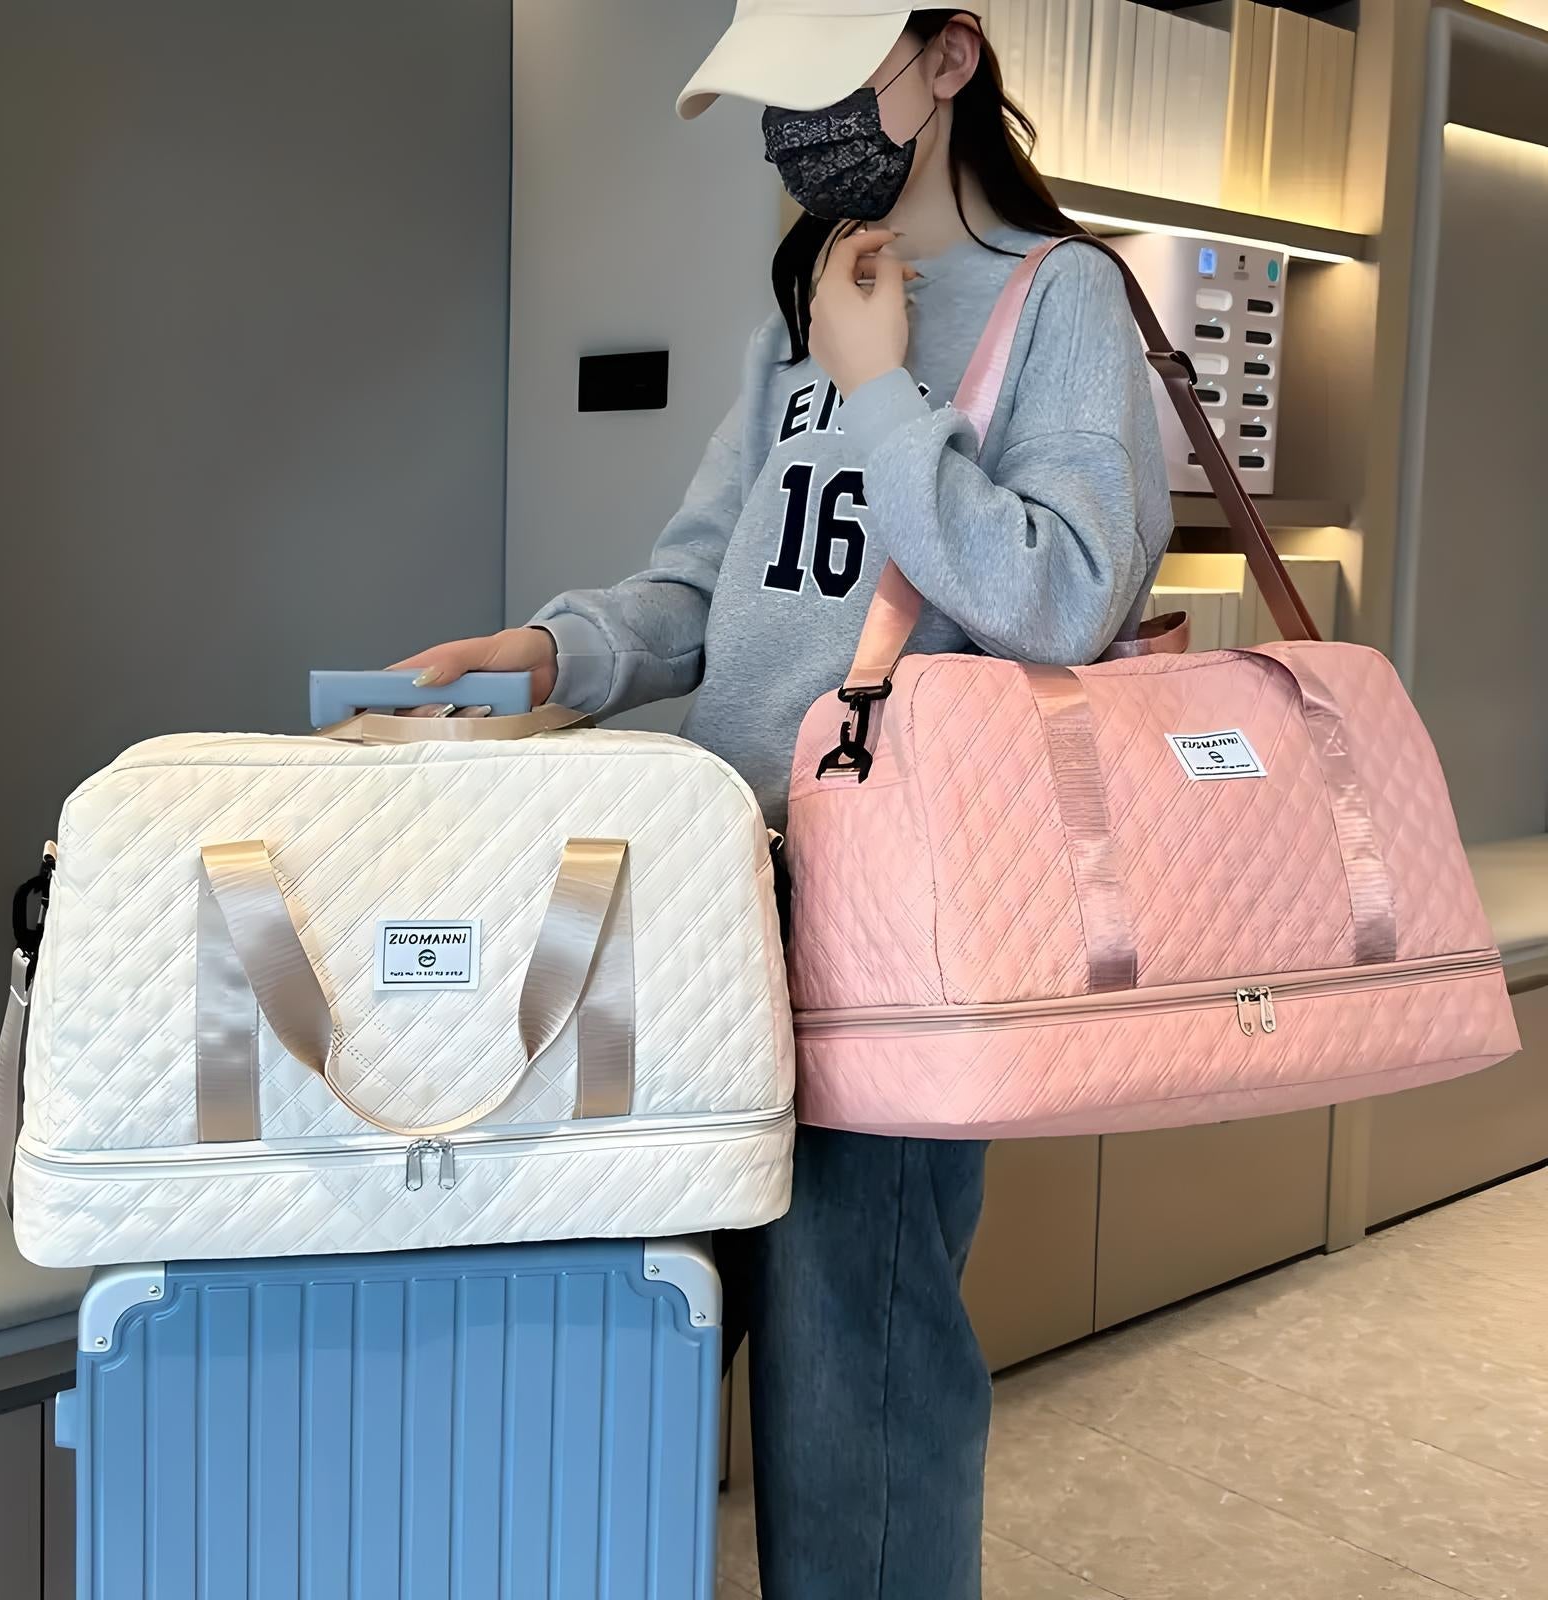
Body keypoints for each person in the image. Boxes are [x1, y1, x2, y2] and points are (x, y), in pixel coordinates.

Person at [395, 6, 1173, 1595]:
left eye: (827, 84)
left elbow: (1067, 593)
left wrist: (886, 394)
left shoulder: (1065, 299)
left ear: (947, 60)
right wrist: (550, 649)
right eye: (773, 98)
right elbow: (707, 587)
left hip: (898, 915)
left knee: (858, 1372)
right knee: (648, 1332)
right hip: (721, 896)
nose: (792, 131)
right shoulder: (799, 313)